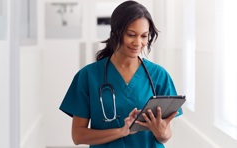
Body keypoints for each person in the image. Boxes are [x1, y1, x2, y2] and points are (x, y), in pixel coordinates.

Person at [59, 1, 183, 147]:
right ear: (116, 32)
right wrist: (121, 131)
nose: (138, 43)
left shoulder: (159, 76)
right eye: (131, 34)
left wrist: (161, 132)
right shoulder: (88, 76)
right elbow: (78, 136)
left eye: (144, 36)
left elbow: (166, 135)